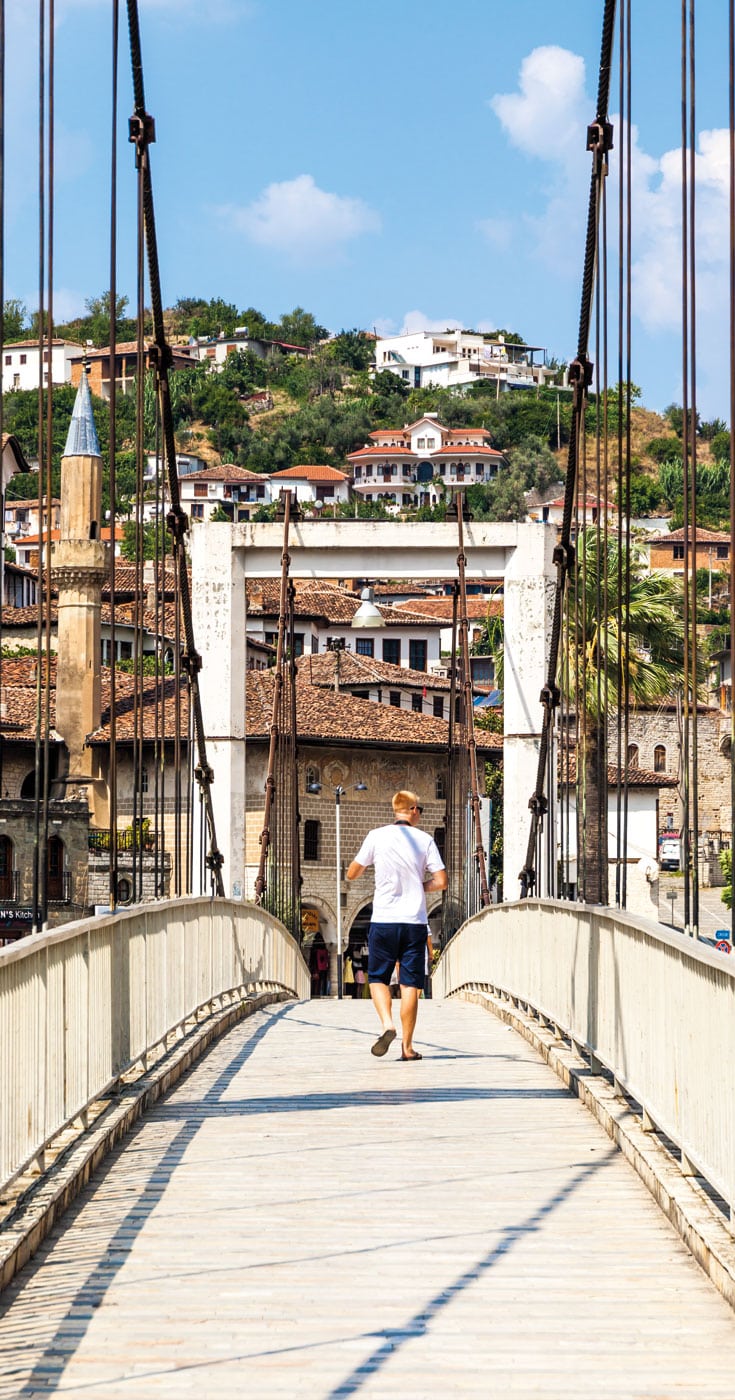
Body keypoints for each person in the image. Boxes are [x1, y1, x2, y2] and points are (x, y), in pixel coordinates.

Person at [347, 790, 447, 1060]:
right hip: (414, 922)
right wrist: (420, 885)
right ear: (413, 809)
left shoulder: (376, 836)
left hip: (384, 920)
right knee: (410, 985)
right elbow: (441, 881)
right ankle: (408, 1047)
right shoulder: (425, 840)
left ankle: (387, 1024)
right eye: (420, 810)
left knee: (378, 978)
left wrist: (364, 868)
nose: (420, 814)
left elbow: (352, 872)